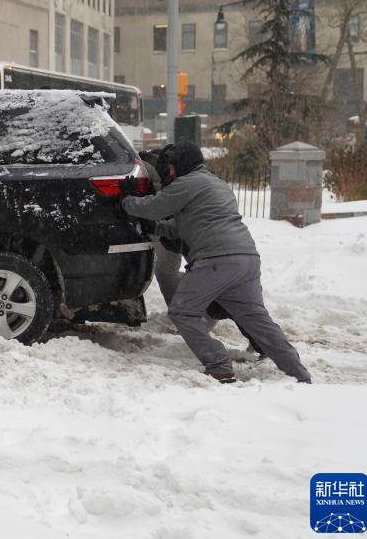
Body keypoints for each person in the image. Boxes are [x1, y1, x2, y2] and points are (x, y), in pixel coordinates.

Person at [120, 142, 310, 384]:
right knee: (257, 321)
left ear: (179, 165)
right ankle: (298, 372)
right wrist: (157, 228)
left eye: (169, 167)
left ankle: (218, 364)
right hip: (246, 259)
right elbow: (185, 226)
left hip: (216, 260)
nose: (168, 172)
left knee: (182, 311)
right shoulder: (216, 183)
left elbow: (154, 206)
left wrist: (127, 200)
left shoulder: (186, 184)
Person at [138, 148, 265, 360]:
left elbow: (161, 206)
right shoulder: (191, 176)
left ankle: (256, 343)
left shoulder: (175, 179)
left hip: (210, 248)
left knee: (230, 299)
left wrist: (135, 209)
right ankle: (257, 340)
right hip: (203, 244)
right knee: (232, 299)